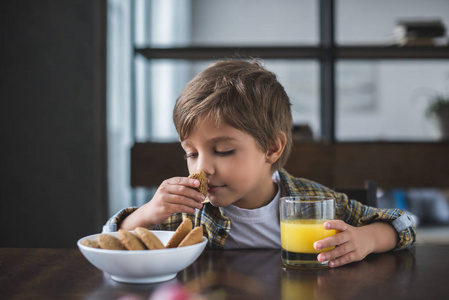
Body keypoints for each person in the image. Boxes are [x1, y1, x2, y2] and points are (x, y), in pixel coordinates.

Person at [104, 60, 416, 268]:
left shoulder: (317, 205)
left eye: (223, 150)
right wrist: (146, 214)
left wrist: (367, 238)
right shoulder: (189, 213)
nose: (203, 168)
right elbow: (111, 243)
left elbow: (403, 223)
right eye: (191, 153)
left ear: (271, 148)